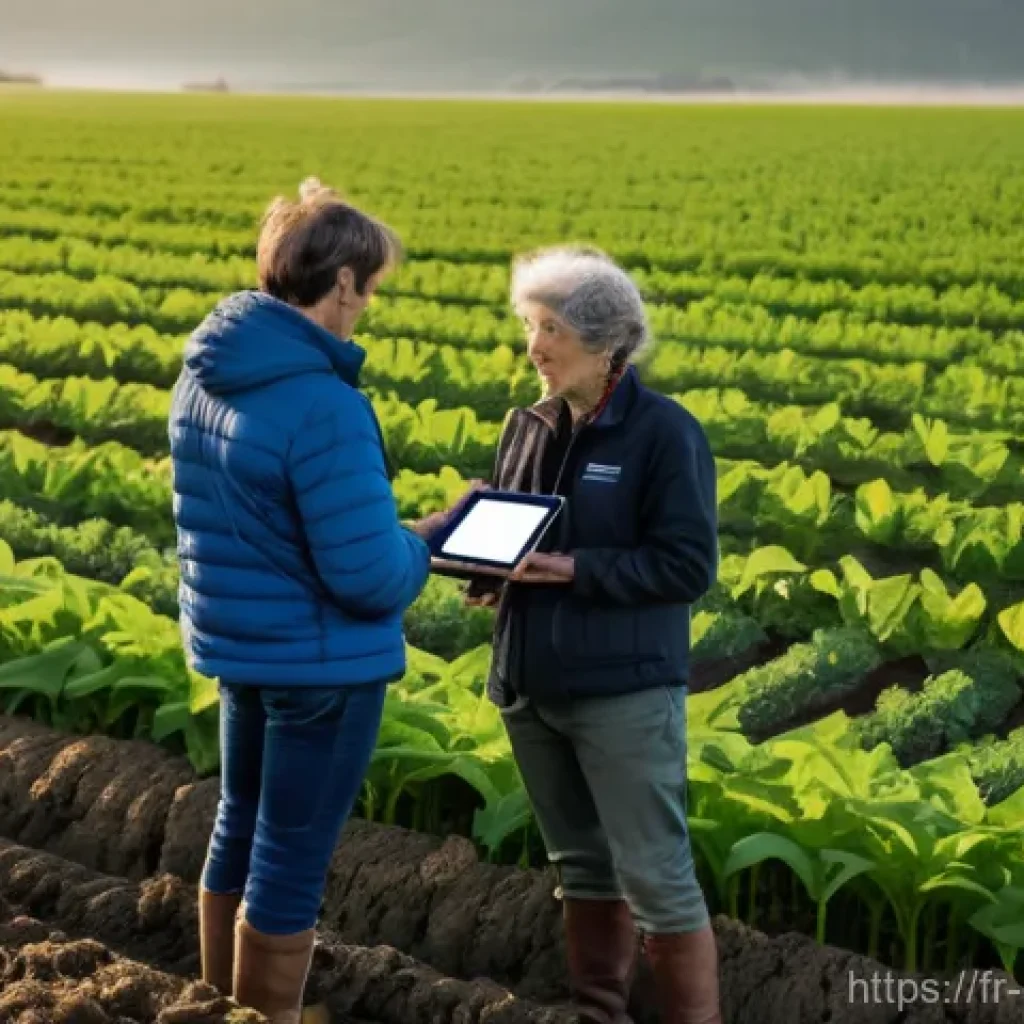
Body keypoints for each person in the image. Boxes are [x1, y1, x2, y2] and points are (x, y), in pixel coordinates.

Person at [169, 178, 472, 1023]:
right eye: (369, 288)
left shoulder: (206, 373)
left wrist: (398, 535)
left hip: (241, 648)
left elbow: (259, 524)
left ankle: (217, 1004)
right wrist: (430, 539)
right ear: (341, 282)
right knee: (291, 856)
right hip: (320, 667)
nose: (368, 305)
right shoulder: (325, 405)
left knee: (240, 820)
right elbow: (367, 577)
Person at [466, 245, 722, 1024]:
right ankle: (598, 1012)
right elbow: (522, 536)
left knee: (656, 878)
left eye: (552, 329)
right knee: (581, 869)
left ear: (606, 341)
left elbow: (687, 566)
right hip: (531, 686)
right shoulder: (529, 425)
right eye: (530, 326)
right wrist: (486, 565)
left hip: (621, 694)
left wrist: (577, 569)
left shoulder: (664, 433)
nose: (534, 346)